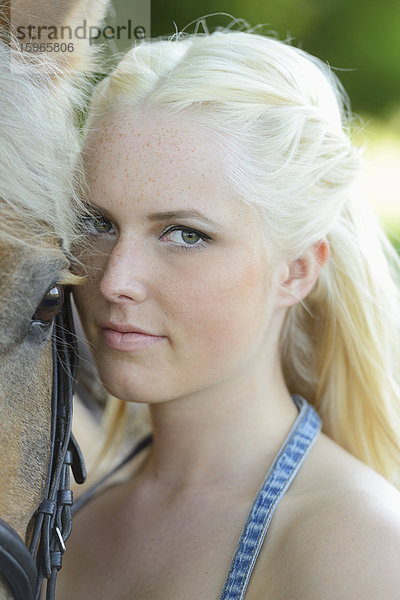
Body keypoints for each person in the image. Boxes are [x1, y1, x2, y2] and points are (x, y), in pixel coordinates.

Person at [58, 28, 400, 599]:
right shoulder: (65, 510)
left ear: (295, 271)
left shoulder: (355, 547)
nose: (115, 280)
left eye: (185, 235)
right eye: (99, 224)